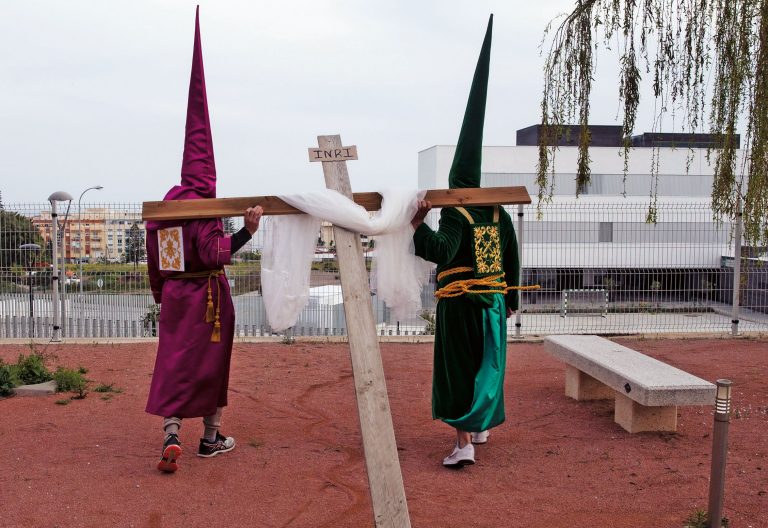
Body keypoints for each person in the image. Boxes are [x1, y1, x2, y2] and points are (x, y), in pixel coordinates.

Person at [144, 7, 265, 473]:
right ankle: (210, 438)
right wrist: (246, 232)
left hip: (176, 294)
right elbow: (215, 253)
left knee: (175, 362)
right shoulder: (206, 208)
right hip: (209, 297)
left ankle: (171, 432)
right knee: (213, 363)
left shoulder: (167, 208)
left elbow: (159, 261)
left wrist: (162, 294)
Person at [411, 15, 521, 468]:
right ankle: (479, 428)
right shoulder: (496, 212)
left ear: (457, 181)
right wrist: (510, 298)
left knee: (458, 369)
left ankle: (463, 444)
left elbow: (439, 251)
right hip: (493, 302)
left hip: (460, 307)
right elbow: (512, 257)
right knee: (486, 366)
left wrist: (419, 223)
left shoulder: (455, 212)